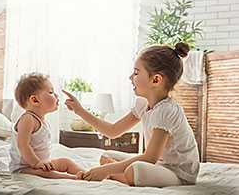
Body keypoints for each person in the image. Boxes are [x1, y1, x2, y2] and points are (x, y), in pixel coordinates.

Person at [62, 42, 200, 187]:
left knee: (136, 169)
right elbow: (113, 131)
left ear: (156, 80)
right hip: (158, 165)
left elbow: (150, 158)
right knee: (106, 156)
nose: (130, 77)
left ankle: (120, 176)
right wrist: (80, 111)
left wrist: (106, 170)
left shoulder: (167, 110)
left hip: (178, 173)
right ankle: (120, 176)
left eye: (136, 73)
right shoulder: (142, 104)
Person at [9, 73, 84, 179]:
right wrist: (36, 163)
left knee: (65, 162)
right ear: (35, 100)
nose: (56, 96)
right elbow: (23, 145)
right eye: (51, 92)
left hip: (42, 163)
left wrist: (42, 163)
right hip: (25, 168)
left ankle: (87, 174)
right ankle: (73, 178)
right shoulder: (27, 119)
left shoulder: (42, 120)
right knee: (47, 174)